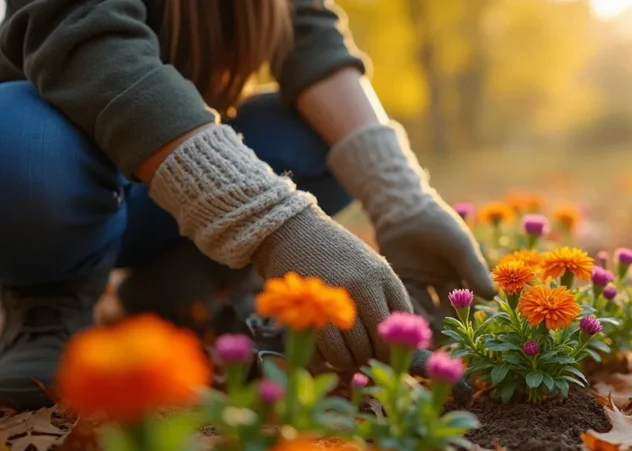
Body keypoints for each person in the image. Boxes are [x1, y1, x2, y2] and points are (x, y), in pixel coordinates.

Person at [0, 0, 495, 409]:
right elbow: (91, 45)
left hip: (165, 191)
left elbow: (310, 37)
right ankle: (50, 295)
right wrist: (273, 224)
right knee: (21, 139)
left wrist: (401, 197)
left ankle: (182, 276)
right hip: (60, 177)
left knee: (313, 134)